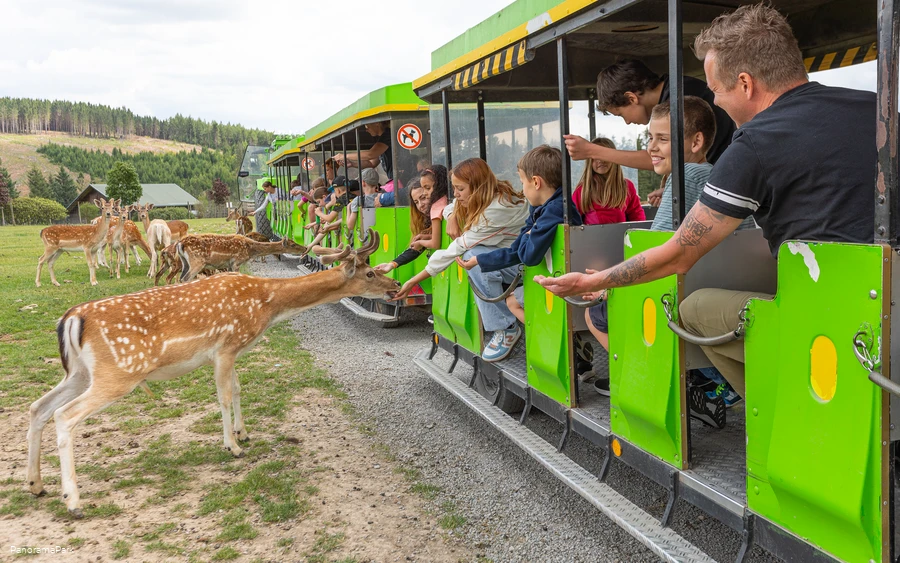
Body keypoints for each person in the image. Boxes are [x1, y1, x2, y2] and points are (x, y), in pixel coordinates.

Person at [538, 3, 876, 412]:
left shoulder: (753, 144)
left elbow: (679, 253)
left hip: (825, 314)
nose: (715, 101)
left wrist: (595, 281)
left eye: (716, 90)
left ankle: (778, 409)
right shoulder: (875, 108)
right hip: (882, 301)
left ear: (746, 84)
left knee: (695, 308)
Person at [456, 146, 582, 362]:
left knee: (514, 301)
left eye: (522, 182)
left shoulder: (554, 211)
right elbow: (519, 247)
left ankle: (558, 345)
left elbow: (529, 256)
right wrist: (480, 259)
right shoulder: (540, 208)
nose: (521, 189)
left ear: (536, 182)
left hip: (559, 279)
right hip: (543, 273)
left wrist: (527, 237)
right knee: (483, 267)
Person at [564, 59, 737, 205]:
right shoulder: (680, 88)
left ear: (632, 98)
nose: (627, 122)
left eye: (621, 114)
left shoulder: (678, 102)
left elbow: (661, 157)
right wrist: (675, 188)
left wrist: (592, 151)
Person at [390, 159, 529, 325]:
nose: (455, 193)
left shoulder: (496, 210)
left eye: (460, 188)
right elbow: (451, 206)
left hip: (525, 264)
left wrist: (413, 281)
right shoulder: (487, 196)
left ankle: (504, 327)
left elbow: (455, 249)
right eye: (454, 187)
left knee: (473, 257)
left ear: (478, 187)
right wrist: (453, 216)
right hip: (513, 258)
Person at [574, 137, 646, 225]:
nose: (601, 160)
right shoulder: (583, 190)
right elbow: (573, 220)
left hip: (620, 237)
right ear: (590, 161)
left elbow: (637, 217)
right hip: (592, 238)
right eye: (596, 157)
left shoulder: (626, 186)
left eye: (604, 156)